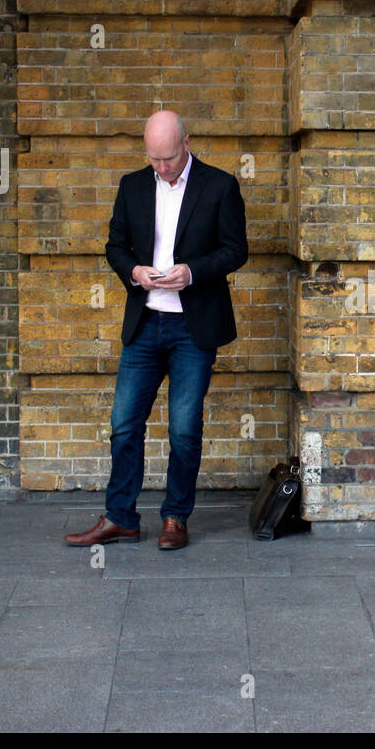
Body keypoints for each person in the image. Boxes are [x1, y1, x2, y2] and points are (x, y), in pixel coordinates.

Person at [64, 111, 248, 551]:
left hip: (193, 327)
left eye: (167, 158)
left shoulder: (220, 185)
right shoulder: (132, 185)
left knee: (184, 428)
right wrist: (134, 271)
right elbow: (115, 246)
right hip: (145, 322)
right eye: (153, 159)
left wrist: (192, 272)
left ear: (186, 142)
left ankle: (175, 518)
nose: (161, 168)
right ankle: (120, 518)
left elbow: (235, 250)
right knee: (124, 424)